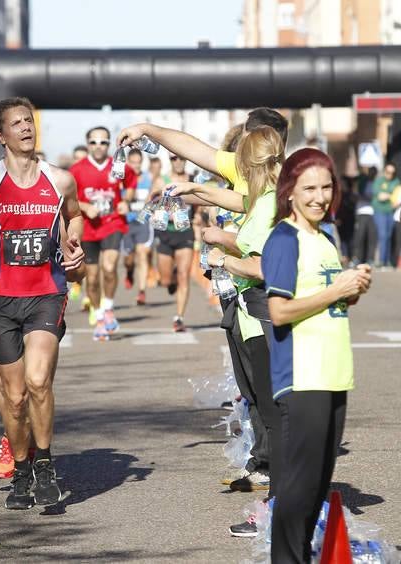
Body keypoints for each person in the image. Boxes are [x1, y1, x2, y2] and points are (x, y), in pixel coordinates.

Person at [0, 97, 85, 510]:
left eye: (29, 121)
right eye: (17, 124)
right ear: (1, 135)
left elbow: (75, 214)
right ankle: (20, 469)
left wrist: (73, 242)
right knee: (13, 397)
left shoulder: (60, 179)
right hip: (0, 296)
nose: (26, 128)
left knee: (38, 381)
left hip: (46, 291)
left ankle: (46, 465)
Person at [168, 126, 286, 536]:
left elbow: (263, 265)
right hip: (261, 318)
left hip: (263, 317)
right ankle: (282, 505)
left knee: (276, 419)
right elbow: (238, 210)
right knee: (273, 415)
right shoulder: (268, 198)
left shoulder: (270, 203)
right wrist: (193, 190)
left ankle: (280, 511)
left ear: (249, 165)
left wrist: (222, 255)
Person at [261, 148, 371, 562]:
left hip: (335, 372)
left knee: (318, 485)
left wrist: (353, 290)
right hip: (303, 375)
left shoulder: (324, 238)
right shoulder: (284, 238)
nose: (319, 196)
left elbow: (329, 303)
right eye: (309, 188)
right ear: (289, 191)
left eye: (326, 186)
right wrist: (335, 290)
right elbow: (279, 311)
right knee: (299, 487)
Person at [70, 126, 134, 340]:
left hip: (112, 222)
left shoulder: (118, 165)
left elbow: (130, 182)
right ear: (88, 144)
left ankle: (108, 308)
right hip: (87, 228)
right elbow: (67, 199)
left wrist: (126, 200)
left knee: (109, 267)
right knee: (93, 277)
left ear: (109, 144)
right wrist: (85, 207)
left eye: (103, 142)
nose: (99, 146)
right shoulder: (77, 170)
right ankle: (98, 316)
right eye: (94, 142)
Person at [149, 153, 195, 332]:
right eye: (174, 158)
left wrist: (199, 216)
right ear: (170, 161)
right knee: (166, 280)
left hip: (185, 231)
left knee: (184, 275)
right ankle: (172, 278)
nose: (178, 162)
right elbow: (151, 200)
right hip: (166, 231)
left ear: (186, 160)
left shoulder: (192, 180)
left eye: (182, 158)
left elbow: (201, 203)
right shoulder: (162, 180)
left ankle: (179, 318)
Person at [121, 148, 152, 305]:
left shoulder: (148, 178)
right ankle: (129, 271)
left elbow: (152, 197)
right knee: (128, 259)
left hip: (142, 222)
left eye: (138, 163)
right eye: (132, 163)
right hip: (126, 222)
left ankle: (141, 291)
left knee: (142, 254)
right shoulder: (122, 179)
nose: (135, 166)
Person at [371, 162, 399, 269]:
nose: (390, 175)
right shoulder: (379, 181)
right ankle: (382, 261)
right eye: (388, 172)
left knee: (389, 236)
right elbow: (380, 197)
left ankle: (387, 261)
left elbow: (398, 196)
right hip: (380, 211)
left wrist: (389, 196)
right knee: (382, 235)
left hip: (391, 212)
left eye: (392, 173)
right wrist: (391, 196)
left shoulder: (396, 181)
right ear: (384, 172)